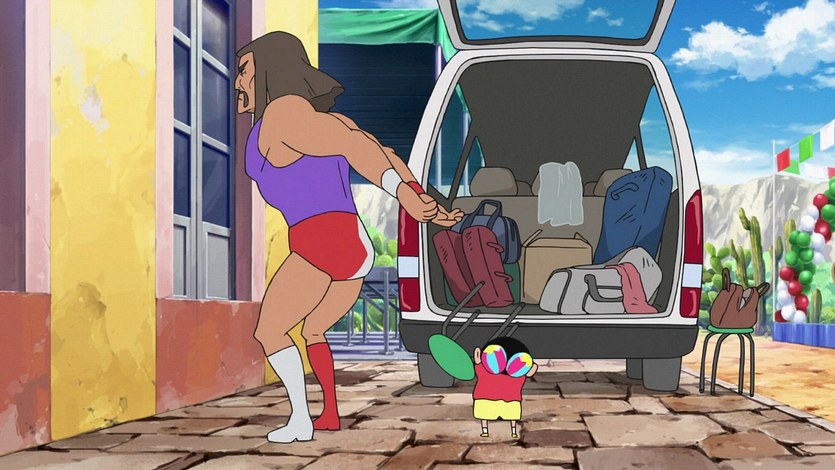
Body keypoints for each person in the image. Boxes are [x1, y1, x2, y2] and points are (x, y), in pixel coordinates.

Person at [234, 31, 463, 443]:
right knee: (312, 331)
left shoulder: (284, 112)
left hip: (322, 242)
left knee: (270, 331)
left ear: (269, 71)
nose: (238, 81)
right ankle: (329, 413)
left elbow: (352, 146)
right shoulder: (321, 118)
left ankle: (300, 420)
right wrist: (418, 195)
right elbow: (378, 149)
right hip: (352, 243)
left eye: (244, 71)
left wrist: (407, 196)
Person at [472, 336, 538, 438]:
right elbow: (529, 370)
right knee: (512, 417)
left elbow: (479, 362)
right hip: (511, 401)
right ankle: (513, 432)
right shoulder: (519, 376)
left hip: (484, 399)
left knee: (484, 417)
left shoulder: (483, 370)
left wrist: (478, 359)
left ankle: (485, 431)